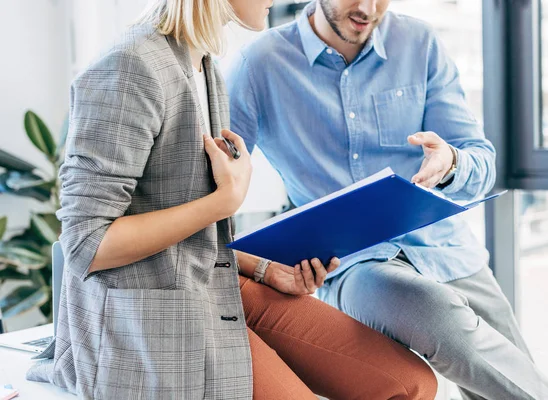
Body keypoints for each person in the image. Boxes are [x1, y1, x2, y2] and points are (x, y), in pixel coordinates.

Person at [25, 0, 438, 399]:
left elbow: (181, 227)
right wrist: (223, 202)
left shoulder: (204, 66)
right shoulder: (129, 67)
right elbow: (86, 245)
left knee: (411, 383)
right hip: (155, 310)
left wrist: (264, 269)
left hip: (215, 280)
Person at [224, 0, 548, 399]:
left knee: (513, 383)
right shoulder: (258, 64)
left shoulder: (420, 43)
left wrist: (450, 162)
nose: (367, 8)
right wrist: (264, 263)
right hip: (353, 266)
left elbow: (481, 164)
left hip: (447, 249)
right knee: (438, 317)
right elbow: (214, 184)